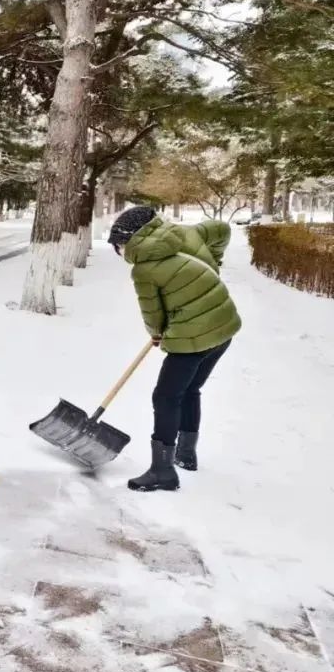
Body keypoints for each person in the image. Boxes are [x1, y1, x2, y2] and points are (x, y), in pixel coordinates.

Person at [107, 206, 242, 493]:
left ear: (129, 240)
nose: (119, 253)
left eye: (118, 246)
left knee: (166, 397)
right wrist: (213, 265)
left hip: (193, 336)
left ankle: (162, 471)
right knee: (190, 390)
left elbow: (152, 312)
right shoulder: (186, 233)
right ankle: (186, 454)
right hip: (224, 326)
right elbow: (222, 229)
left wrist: (157, 335)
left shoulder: (143, 269)